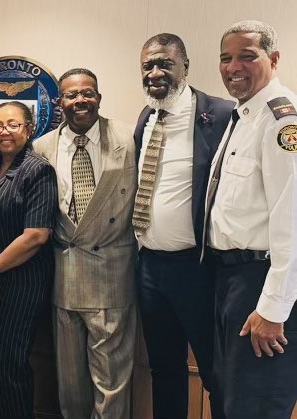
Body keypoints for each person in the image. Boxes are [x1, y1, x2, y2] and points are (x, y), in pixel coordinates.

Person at [133, 33, 232, 419]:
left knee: (213, 371)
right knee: (165, 368)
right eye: (148, 66)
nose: (155, 73)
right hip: (150, 269)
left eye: (165, 64)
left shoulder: (221, 115)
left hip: (198, 269)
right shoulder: (148, 115)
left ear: (185, 68)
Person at [205, 20, 297, 418]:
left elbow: (292, 220)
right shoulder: (242, 116)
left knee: (254, 406)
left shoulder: (282, 120)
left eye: (247, 56)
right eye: (226, 58)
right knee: (228, 399)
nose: (232, 67)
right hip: (231, 281)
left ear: (273, 59)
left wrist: (274, 309)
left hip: (262, 282)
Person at [33, 68, 136, 418]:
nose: (81, 101)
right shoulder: (42, 146)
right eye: (72, 95)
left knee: (111, 383)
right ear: (59, 101)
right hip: (64, 274)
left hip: (111, 272)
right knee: (70, 382)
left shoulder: (126, 137)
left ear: (99, 98)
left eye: (88, 93)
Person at [0, 101, 56, 419]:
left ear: (29, 129)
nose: (4, 131)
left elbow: (35, 236)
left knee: (11, 365)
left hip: (22, 283)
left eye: (13, 125)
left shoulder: (38, 170)